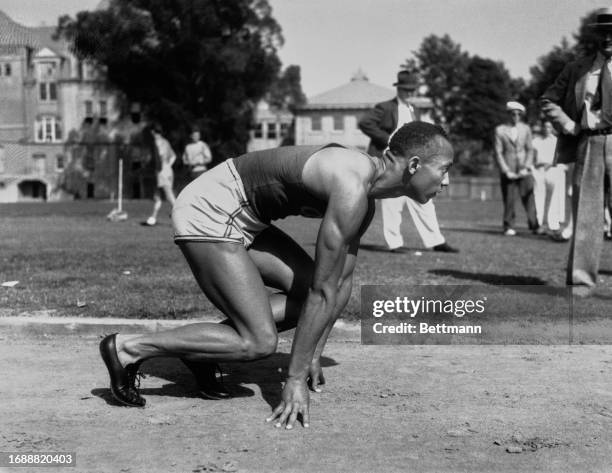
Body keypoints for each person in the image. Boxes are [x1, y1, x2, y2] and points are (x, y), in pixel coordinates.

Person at [99, 122, 454, 429]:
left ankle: (201, 351)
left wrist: (313, 351)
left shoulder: (365, 198)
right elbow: (323, 290)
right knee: (259, 342)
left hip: (245, 218)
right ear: (414, 165)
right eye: (444, 169)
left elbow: (340, 285)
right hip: (209, 209)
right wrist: (295, 377)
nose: (447, 181)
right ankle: (129, 347)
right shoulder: (351, 184)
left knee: (305, 299)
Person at [541, 7, 612, 291]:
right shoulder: (577, 68)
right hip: (589, 141)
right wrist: (570, 125)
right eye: (604, 33)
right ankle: (581, 284)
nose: (608, 38)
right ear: (596, 36)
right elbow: (548, 100)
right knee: (586, 216)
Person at [358, 70, 458, 253]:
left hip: (414, 164)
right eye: (406, 89)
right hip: (393, 162)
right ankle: (394, 243)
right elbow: (365, 123)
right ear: (399, 89)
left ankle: (436, 241)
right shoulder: (385, 107)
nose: (409, 93)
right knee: (391, 203)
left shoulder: (415, 110)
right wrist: (388, 138)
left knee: (425, 200)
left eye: (412, 89)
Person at [494, 101, 539, 236]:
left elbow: (530, 149)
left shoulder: (526, 129)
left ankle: (534, 225)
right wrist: (506, 170)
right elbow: (498, 152)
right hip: (508, 170)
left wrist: (526, 167)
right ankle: (509, 226)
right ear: (508, 114)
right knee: (509, 199)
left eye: (519, 114)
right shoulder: (500, 130)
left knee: (529, 198)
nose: (516, 117)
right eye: (513, 114)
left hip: (524, 170)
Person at [531, 120, 570, 241]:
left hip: (553, 170)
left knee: (554, 198)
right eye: (545, 126)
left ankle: (553, 223)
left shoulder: (557, 141)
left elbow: (562, 159)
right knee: (539, 197)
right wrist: (534, 169)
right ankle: (541, 224)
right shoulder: (536, 141)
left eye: (549, 127)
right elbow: (532, 158)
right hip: (539, 171)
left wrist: (553, 165)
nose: (546, 129)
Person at [144, 124, 177, 226]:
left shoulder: (157, 143)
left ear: (153, 132)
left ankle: (181, 215)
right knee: (157, 196)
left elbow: (159, 157)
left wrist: (160, 167)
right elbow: (173, 156)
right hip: (167, 170)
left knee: (169, 196)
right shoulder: (166, 141)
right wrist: (168, 166)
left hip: (162, 172)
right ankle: (153, 217)